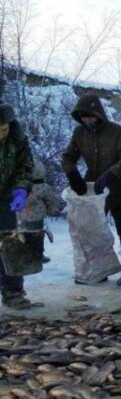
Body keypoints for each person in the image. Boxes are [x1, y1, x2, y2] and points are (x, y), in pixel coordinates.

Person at [62, 94, 121, 286]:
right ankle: (98, 271)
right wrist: (73, 174)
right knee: (91, 231)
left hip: (118, 187)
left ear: (98, 114)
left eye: (89, 115)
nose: (87, 120)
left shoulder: (117, 131)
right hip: (92, 190)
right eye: (83, 117)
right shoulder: (79, 133)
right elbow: (68, 156)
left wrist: (111, 175)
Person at [0, 103, 37, 309]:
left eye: (4, 129)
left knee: (9, 244)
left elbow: (25, 166)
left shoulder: (17, 138)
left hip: (5, 198)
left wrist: (20, 190)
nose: (1, 135)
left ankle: (13, 292)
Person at [18, 160, 61, 263]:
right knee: (37, 236)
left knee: (25, 236)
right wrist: (50, 210)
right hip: (37, 218)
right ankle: (38, 254)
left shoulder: (20, 186)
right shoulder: (44, 187)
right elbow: (51, 201)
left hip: (22, 216)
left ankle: (25, 254)